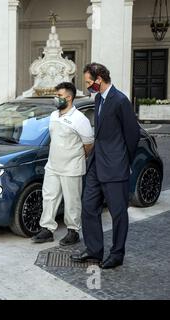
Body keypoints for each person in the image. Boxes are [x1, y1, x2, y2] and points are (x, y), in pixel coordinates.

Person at [71, 63, 140, 269]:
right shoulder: (98, 98)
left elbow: (132, 134)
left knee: (118, 213)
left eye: (90, 82)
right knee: (89, 207)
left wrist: (123, 160)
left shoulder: (120, 100)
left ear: (99, 78)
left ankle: (117, 254)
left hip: (115, 167)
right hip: (96, 164)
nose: (88, 85)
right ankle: (94, 250)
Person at [32, 82, 94, 246]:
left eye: (59, 96)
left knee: (72, 201)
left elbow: (88, 143)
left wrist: (77, 157)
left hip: (71, 167)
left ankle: (73, 231)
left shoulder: (80, 119)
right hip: (53, 165)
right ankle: (47, 229)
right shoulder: (54, 115)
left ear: (69, 97)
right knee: (49, 198)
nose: (56, 98)